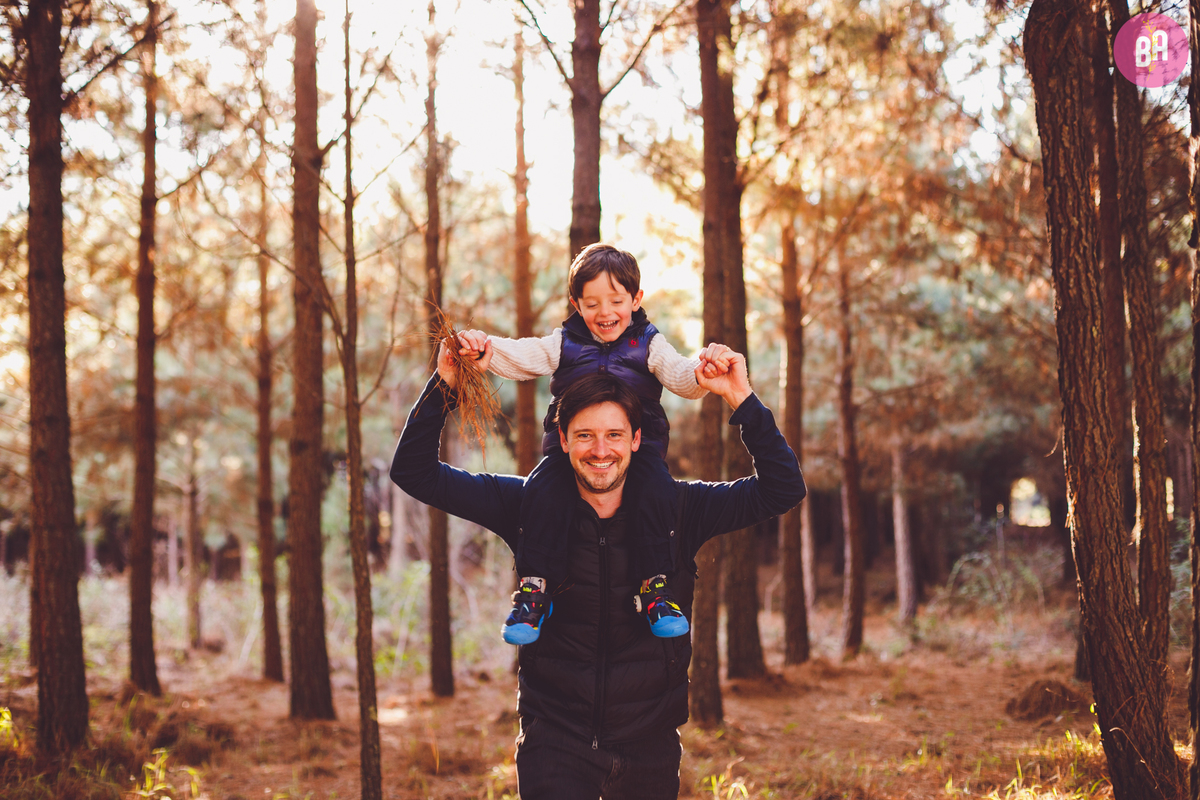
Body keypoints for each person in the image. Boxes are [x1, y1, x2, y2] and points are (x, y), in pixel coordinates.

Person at [390, 338, 805, 800]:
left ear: (636, 439)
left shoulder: (679, 510)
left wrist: (740, 398)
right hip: (555, 745)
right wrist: (446, 383)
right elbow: (414, 472)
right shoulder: (528, 505)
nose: (600, 450)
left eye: (613, 435)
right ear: (563, 439)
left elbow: (783, 488)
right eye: (585, 435)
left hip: (649, 747)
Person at [452, 243, 733, 645]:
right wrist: (486, 350)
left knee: (655, 493)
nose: (605, 313)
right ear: (576, 303)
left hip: (639, 450)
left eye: (616, 301)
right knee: (541, 491)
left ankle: (654, 588)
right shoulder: (564, 342)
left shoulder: (649, 344)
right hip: (570, 451)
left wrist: (702, 372)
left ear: (636, 300)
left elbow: (680, 376)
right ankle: (534, 589)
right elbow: (524, 354)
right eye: (592, 303)